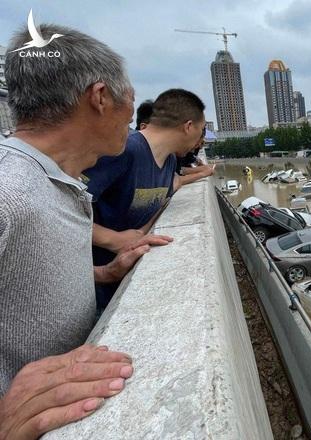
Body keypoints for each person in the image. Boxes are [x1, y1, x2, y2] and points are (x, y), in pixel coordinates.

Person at [0, 24, 170, 438]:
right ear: (99, 98)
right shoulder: (10, 191)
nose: (130, 131)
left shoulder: (55, 181)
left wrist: (105, 272)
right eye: (129, 116)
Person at [83, 88, 213, 309]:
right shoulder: (125, 151)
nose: (199, 142)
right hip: (91, 289)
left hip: (123, 282)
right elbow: (60, 209)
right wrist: (113, 239)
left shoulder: (170, 160)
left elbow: (170, 190)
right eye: (201, 131)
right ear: (188, 126)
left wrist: (142, 234)